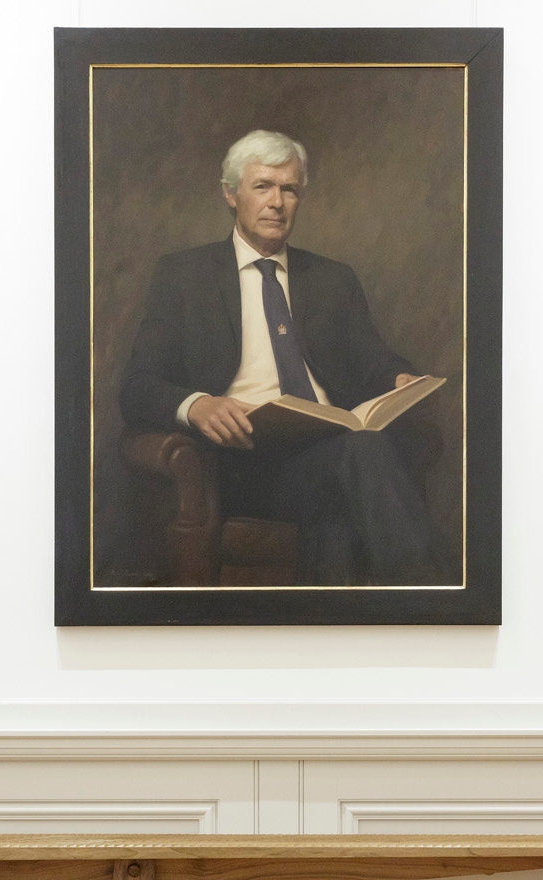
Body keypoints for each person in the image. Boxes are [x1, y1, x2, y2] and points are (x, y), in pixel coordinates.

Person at [119, 129, 441, 585]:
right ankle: (430, 596)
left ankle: (373, 614)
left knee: (346, 490)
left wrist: (399, 378)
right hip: (244, 464)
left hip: (330, 452)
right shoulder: (183, 277)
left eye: (289, 189)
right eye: (262, 186)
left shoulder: (332, 278)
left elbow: (373, 359)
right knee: (362, 457)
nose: (277, 202)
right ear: (230, 195)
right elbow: (136, 386)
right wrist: (197, 404)